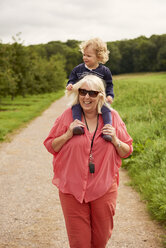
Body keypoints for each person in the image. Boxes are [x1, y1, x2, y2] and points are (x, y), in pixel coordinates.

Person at [43, 75, 133, 248]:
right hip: (72, 189)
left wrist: (115, 139)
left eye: (92, 93)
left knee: (100, 241)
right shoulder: (68, 116)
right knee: (79, 243)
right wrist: (68, 134)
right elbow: (51, 146)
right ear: (78, 93)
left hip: (103, 188)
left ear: (100, 95)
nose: (86, 97)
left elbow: (127, 150)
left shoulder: (112, 117)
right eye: (83, 92)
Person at [66, 38, 114, 142]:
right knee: (75, 106)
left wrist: (110, 95)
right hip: (82, 98)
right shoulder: (78, 69)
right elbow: (72, 79)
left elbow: (109, 85)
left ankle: (107, 130)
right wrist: (70, 85)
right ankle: (78, 126)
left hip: (99, 99)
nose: (85, 58)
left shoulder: (105, 71)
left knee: (106, 110)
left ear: (99, 57)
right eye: (84, 54)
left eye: (88, 55)